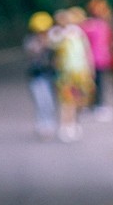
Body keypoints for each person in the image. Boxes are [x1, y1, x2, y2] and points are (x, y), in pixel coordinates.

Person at [50, 8, 95, 142]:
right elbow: (53, 46)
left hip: (80, 73)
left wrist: (90, 67)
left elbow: (86, 51)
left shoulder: (77, 33)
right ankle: (66, 125)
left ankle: (73, 123)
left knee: (79, 100)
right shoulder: (57, 34)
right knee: (67, 101)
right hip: (66, 74)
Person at [24, 11, 58, 139]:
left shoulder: (53, 38)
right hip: (36, 75)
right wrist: (42, 43)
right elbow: (32, 52)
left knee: (49, 101)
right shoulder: (30, 41)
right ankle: (42, 124)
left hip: (50, 75)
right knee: (41, 100)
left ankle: (49, 123)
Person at [82, 0, 113, 118]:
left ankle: (95, 104)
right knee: (97, 83)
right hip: (97, 58)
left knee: (96, 83)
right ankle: (96, 104)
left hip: (95, 59)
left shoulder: (89, 25)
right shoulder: (100, 25)